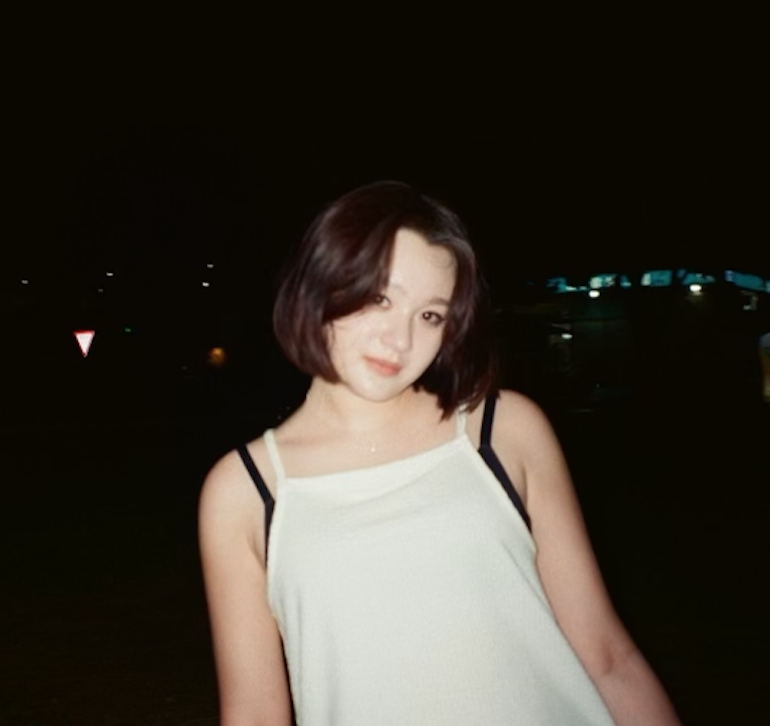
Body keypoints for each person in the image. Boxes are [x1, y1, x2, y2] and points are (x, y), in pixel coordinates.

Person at [198, 181, 682, 726]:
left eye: (430, 315)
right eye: (380, 298)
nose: (399, 339)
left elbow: (608, 658)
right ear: (320, 284)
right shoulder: (248, 490)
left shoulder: (501, 432)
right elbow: (254, 714)